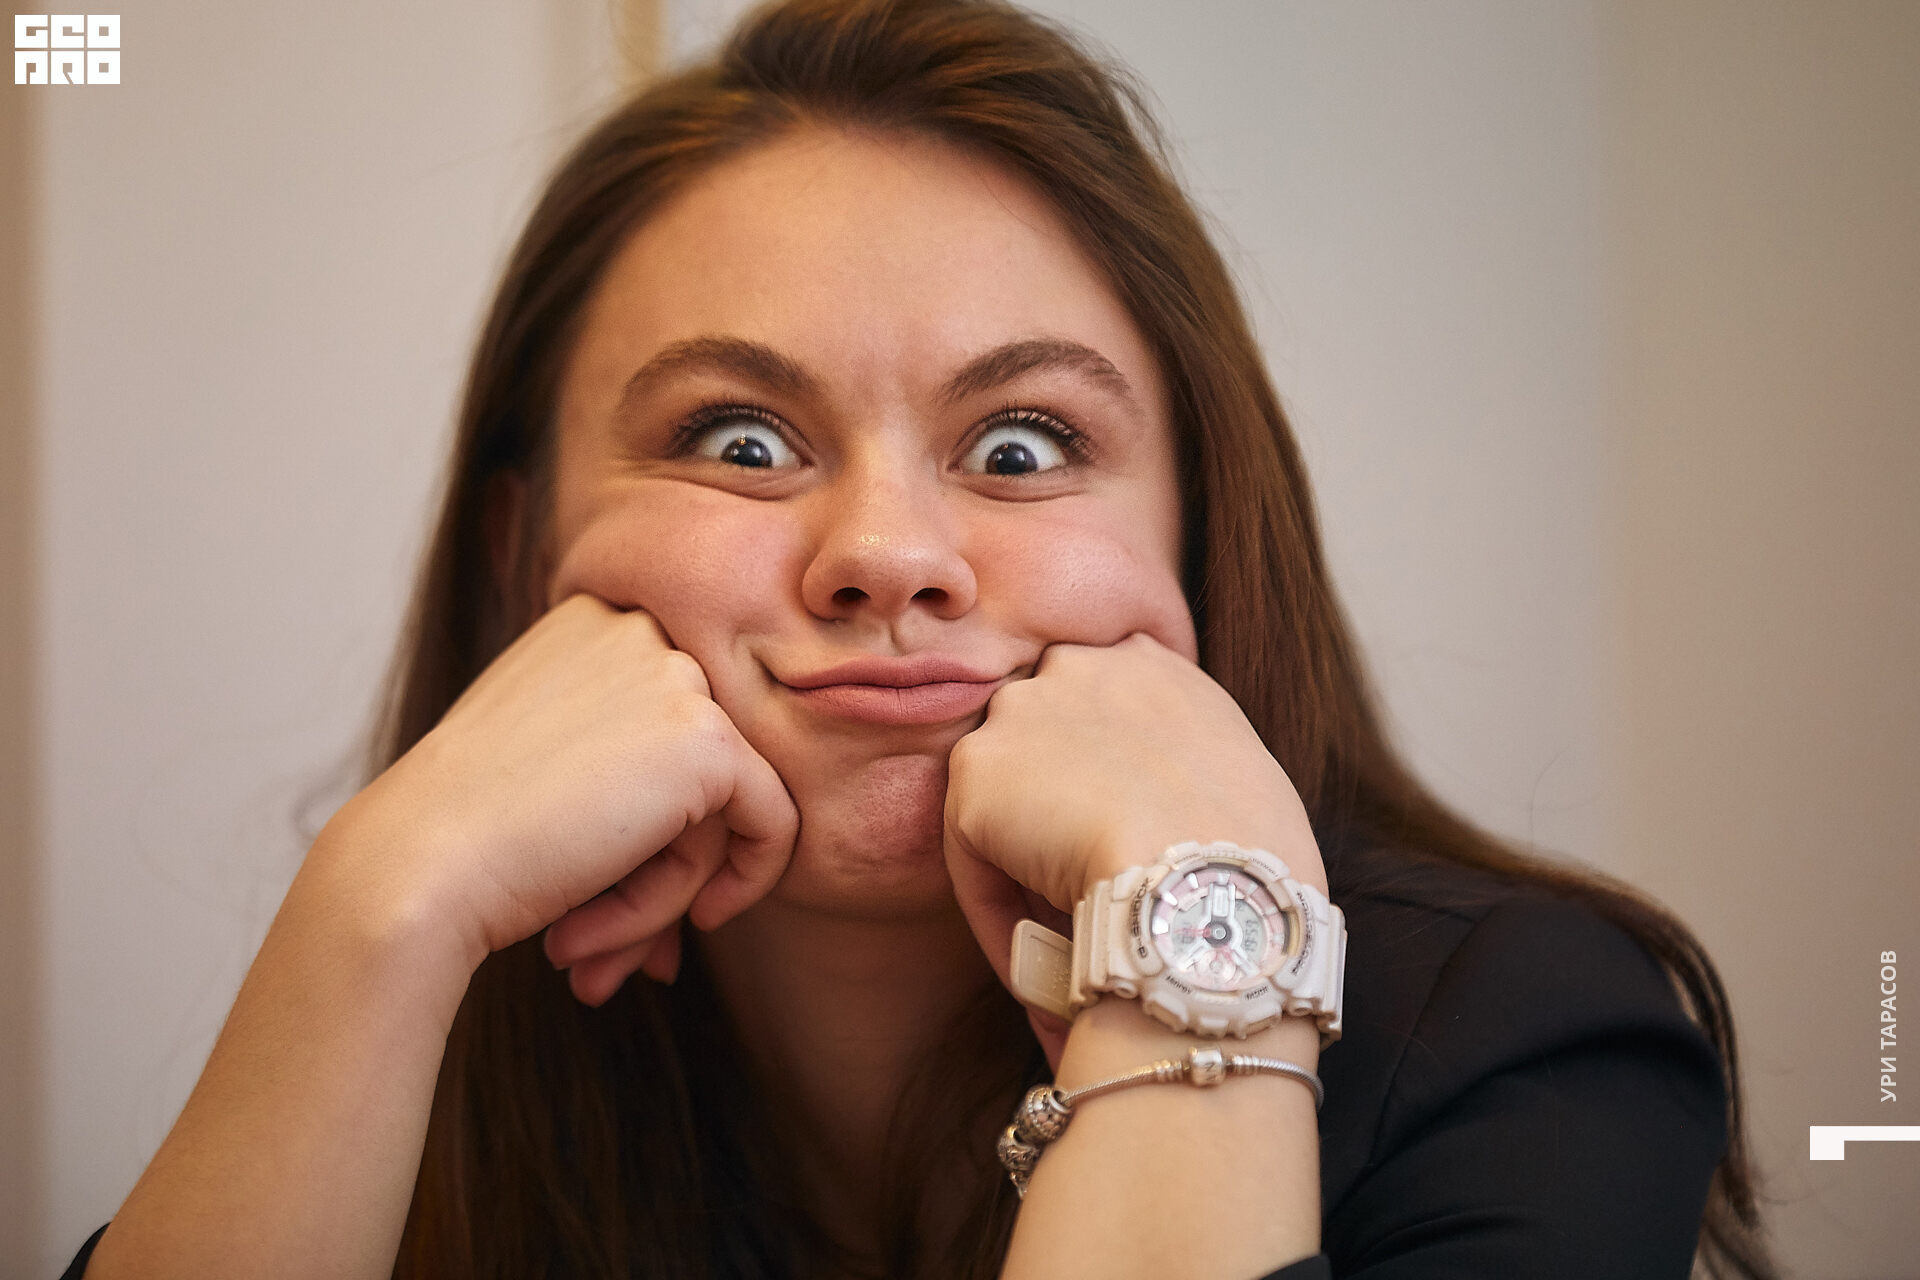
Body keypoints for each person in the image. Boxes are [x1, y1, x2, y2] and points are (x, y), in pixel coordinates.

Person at [64, 1, 1776, 1277]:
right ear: (523, 556)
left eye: (1021, 448)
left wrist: (1193, 985)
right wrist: (381, 907)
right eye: (743, 440)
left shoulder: (1526, 1047)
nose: (888, 556)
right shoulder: (429, 1053)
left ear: (1192, 530)